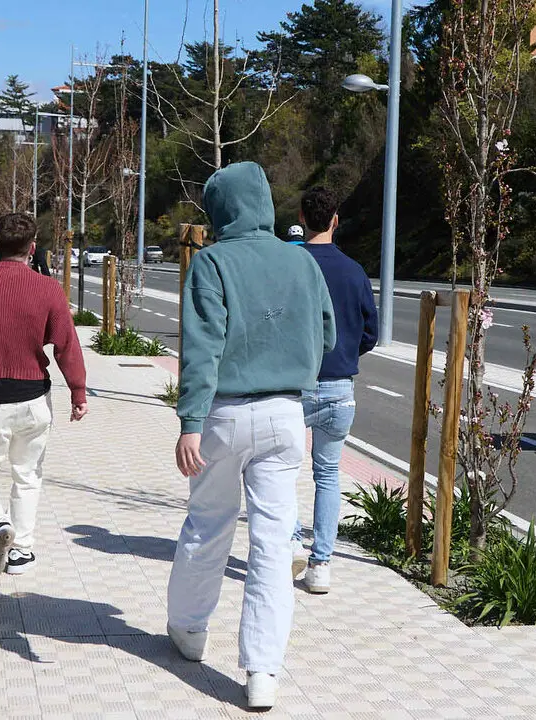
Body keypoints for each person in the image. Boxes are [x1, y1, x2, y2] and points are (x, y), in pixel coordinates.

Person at [167, 162, 335, 710]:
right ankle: (262, 671)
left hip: (223, 414)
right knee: (273, 542)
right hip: (287, 414)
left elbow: (202, 348)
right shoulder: (302, 262)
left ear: (220, 210)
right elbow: (327, 334)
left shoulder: (212, 262)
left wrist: (189, 421)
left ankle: (190, 631)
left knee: (208, 523)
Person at [0, 213, 88, 581]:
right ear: (32, 248)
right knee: (27, 474)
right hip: (33, 397)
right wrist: (78, 391)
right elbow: (66, 345)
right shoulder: (48, 288)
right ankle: (22, 550)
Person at [288, 186, 378, 594]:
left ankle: (290, 542)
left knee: (281, 469)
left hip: (293, 384)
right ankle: (321, 564)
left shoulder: (289, 264)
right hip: (340, 386)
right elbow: (370, 332)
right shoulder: (355, 271)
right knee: (327, 474)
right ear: (335, 220)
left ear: (303, 218)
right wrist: (344, 352)